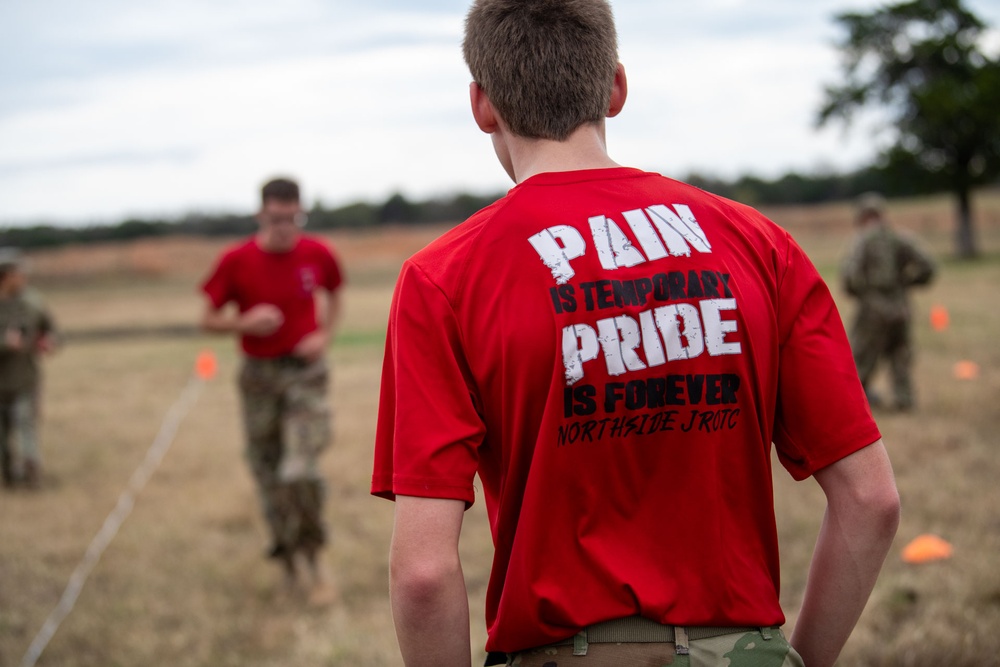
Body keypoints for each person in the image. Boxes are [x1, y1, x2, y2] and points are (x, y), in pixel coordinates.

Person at [372, 2, 901, 666]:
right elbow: (871, 498)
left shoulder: (443, 277)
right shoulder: (760, 245)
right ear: (616, 87)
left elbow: (422, 572)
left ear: (482, 104)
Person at [200, 177, 344, 605]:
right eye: (276, 218)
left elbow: (335, 294)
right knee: (268, 478)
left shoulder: (318, 253)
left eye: (293, 218)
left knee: (299, 471)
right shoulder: (235, 260)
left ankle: (316, 561)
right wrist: (243, 323)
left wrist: (325, 335)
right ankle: (289, 563)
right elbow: (207, 319)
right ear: (261, 214)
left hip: (305, 375)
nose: (285, 227)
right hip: (259, 378)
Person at [841, 192, 936, 411]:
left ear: (863, 217)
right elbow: (928, 266)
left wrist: (861, 294)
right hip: (900, 307)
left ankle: (855, 404)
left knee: (861, 356)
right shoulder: (900, 238)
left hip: (873, 308)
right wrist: (908, 283)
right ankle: (904, 400)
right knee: (900, 354)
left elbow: (849, 275)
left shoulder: (863, 240)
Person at [0, 248, 58, 490]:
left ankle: (31, 474)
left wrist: (50, 341)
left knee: (26, 425)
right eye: (18, 272)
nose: (23, 277)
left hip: (25, 378)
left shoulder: (33, 302)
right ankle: (9, 475)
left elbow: (52, 330)